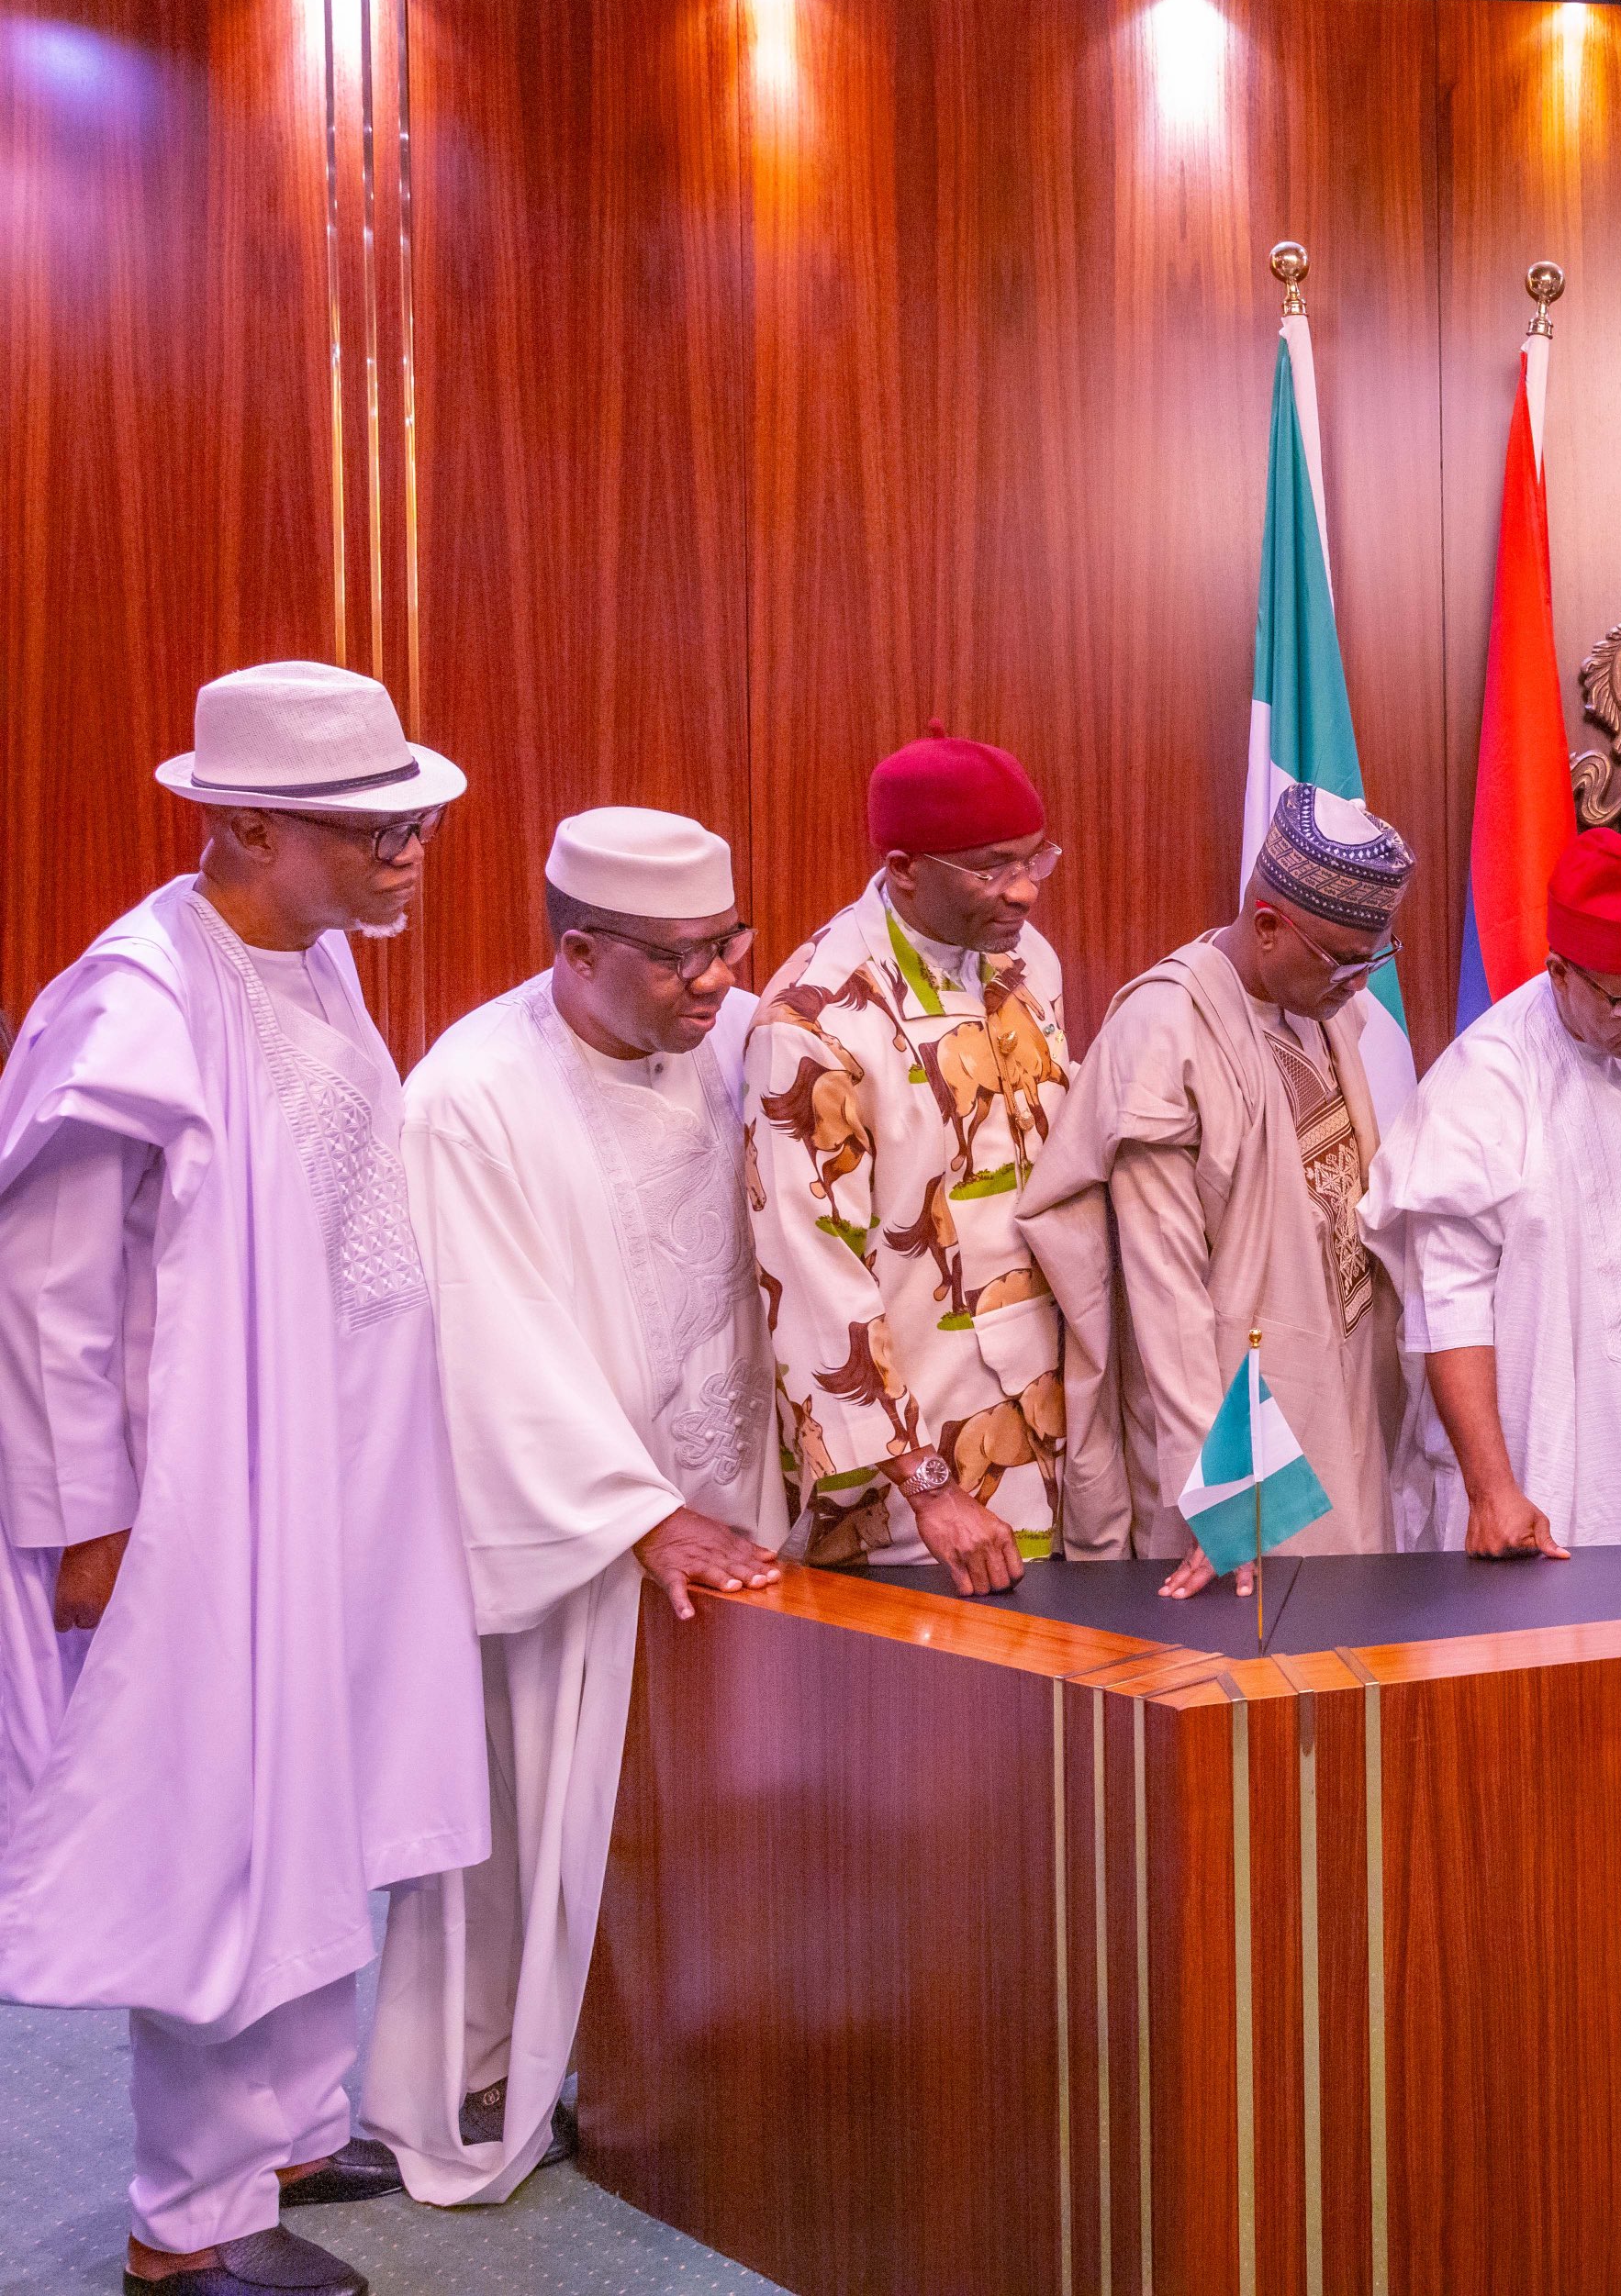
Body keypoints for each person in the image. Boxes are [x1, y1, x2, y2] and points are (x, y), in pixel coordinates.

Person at [0, 661, 486, 2296]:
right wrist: (85, 1523)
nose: (409, 850)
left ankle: (285, 2131)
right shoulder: (136, 1000)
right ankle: (186, 2223)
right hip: (204, 1503)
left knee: (318, 1802)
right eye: (372, 829)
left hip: (338, 1474)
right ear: (247, 825)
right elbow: (45, 1290)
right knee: (219, 1831)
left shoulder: (317, 951)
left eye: (412, 820)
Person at [354, 808, 787, 2201]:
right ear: (579, 951)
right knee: (531, 1812)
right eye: (678, 958)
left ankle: (679, 2070)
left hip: (744, 1497)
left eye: (728, 943)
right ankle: (490, 2071)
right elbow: (484, 1342)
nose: (715, 981)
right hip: (580, 1530)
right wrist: (637, 1515)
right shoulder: (469, 1097)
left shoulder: (746, 1039)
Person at [1024, 786, 1422, 1585]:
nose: (1359, 985)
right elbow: (1165, 1298)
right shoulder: (1165, 1034)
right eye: (1343, 960)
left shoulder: (1317, 1003)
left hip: (1340, 1394)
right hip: (1236, 1431)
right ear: (1268, 925)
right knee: (1260, 1641)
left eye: (1372, 960)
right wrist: (1225, 1501)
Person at [1363, 829, 1621, 1555]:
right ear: (1560, 973)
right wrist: (1492, 1490)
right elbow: (1448, 1306)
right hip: (1550, 1458)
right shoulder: (1487, 1080)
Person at [748, 728, 1073, 1595]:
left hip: (1054, 1429)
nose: (1025, 888)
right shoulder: (813, 1022)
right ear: (903, 869)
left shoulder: (1025, 962)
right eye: (992, 867)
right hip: (916, 1489)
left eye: (1035, 858)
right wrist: (927, 1486)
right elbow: (808, 1271)